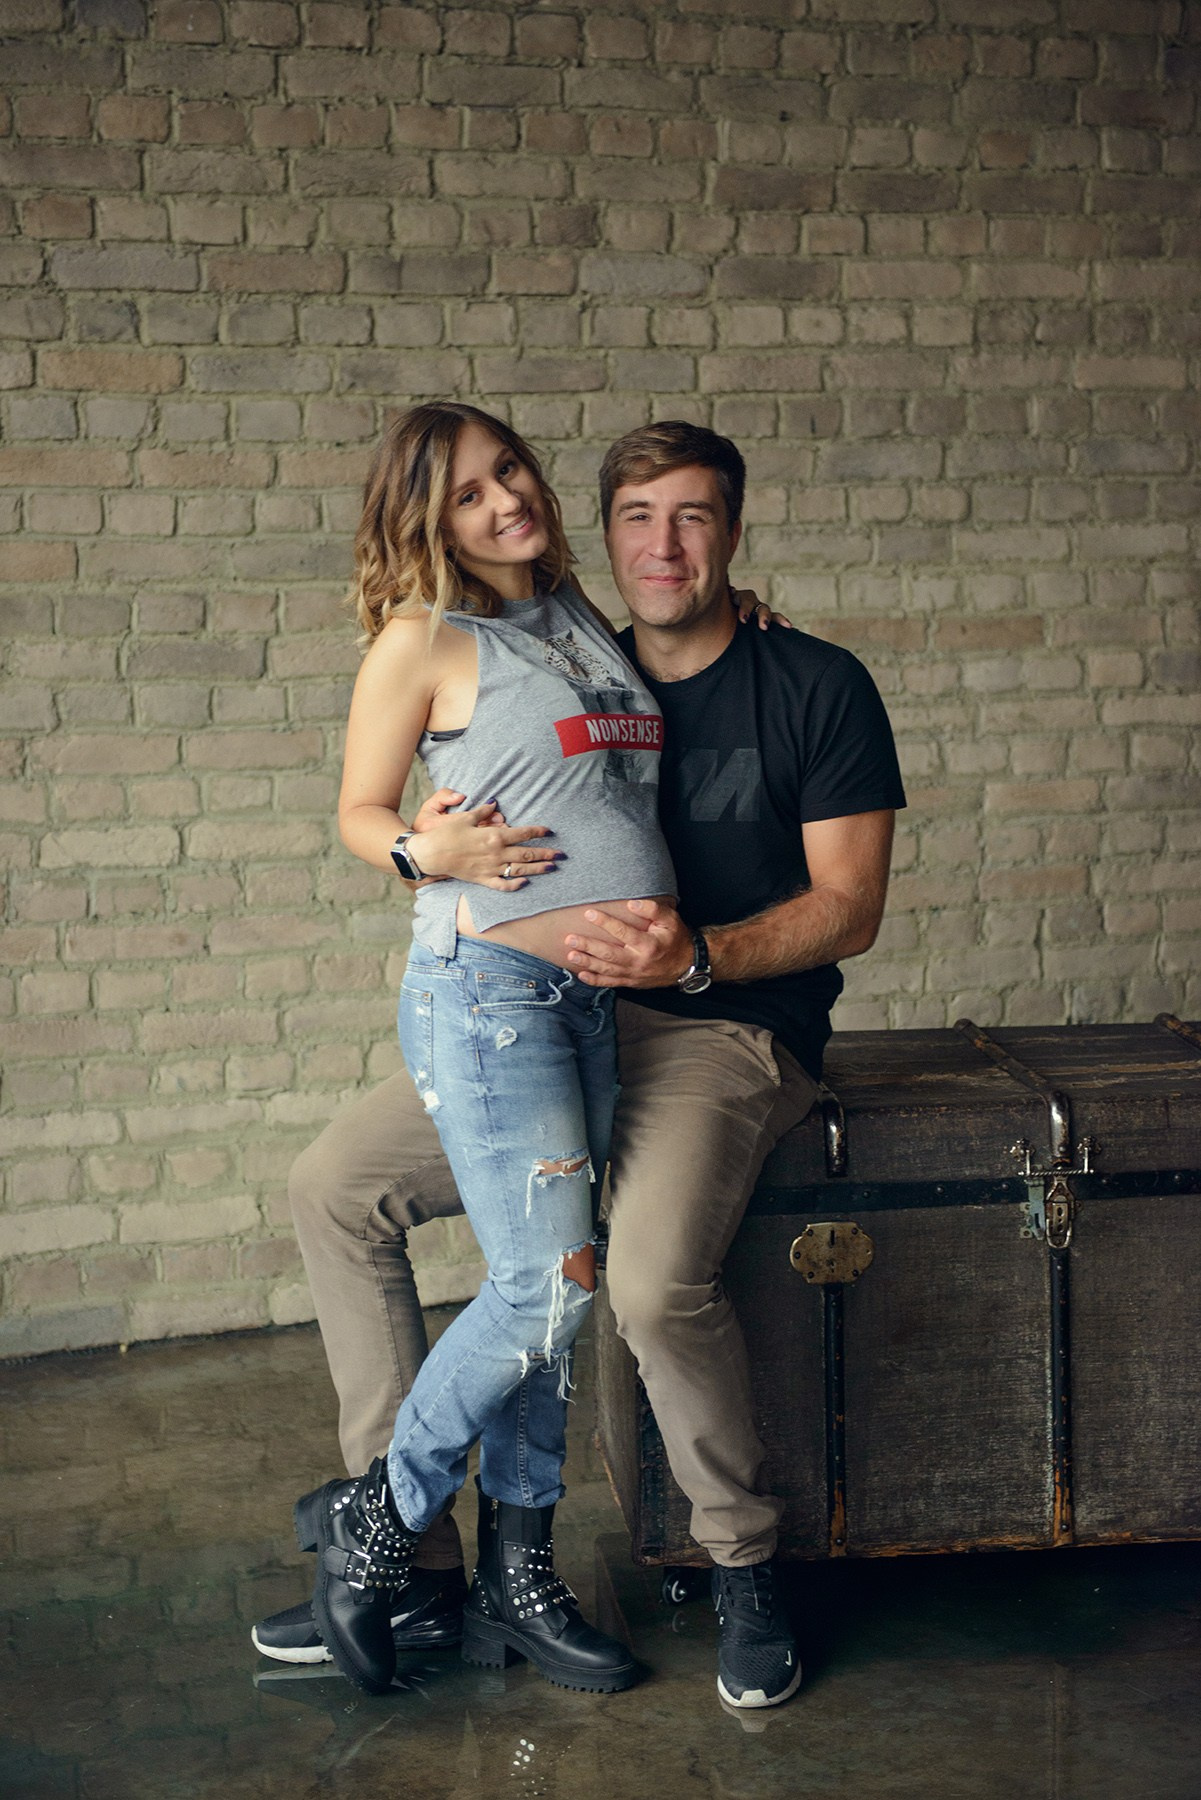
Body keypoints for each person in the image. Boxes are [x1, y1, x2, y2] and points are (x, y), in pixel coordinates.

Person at [255, 421, 905, 1710]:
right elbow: (393, 787)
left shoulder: (812, 683)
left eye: (697, 518)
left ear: (736, 531)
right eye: (641, 518)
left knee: (644, 1285)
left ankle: (742, 1566)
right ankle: (415, 1566)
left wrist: (699, 960)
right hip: (540, 1008)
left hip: (722, 1027)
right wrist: (419, 851)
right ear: (604, 531)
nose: (667, 546)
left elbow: (853, 906)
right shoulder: (576, 640)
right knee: (335, 1189)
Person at [296, 401, 680, 1697]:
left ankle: (520, 1578)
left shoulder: (575, 621)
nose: (503, 499)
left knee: (551, 1301)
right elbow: (357, 813)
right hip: (488, 990)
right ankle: (378, 1523)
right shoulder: (423, 638)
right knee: (550, 1284)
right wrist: (425, 847)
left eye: (506, 470)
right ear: (428, 522)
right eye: (466, 495)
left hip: (587, 1001)